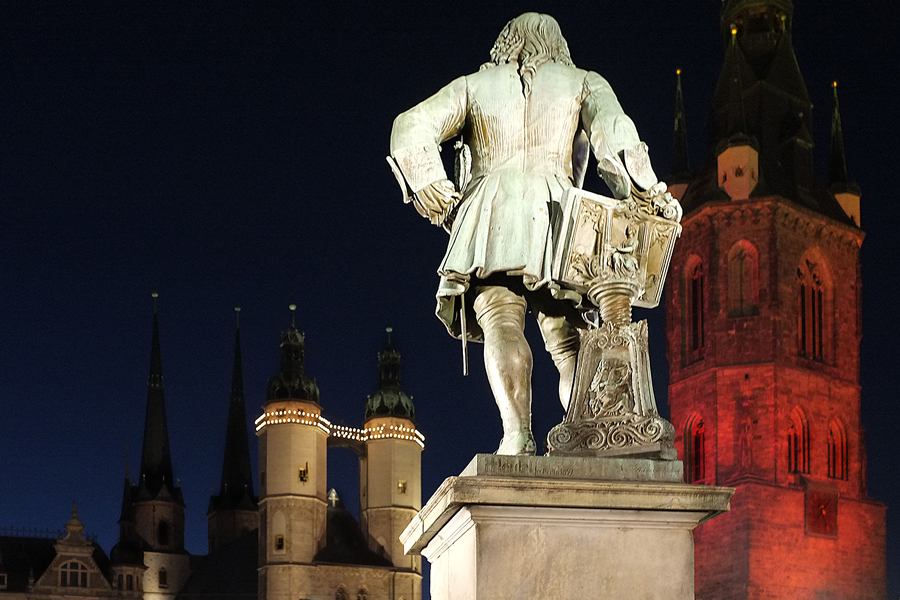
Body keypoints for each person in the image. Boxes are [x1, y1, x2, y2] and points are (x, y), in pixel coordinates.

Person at [389, 13, 665, 455]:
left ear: (506, 45)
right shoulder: (582, 81)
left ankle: (517, 435)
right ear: (556, 46)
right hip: (561, 216)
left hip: (489, 214)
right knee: (570, 338)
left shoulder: (474, 87)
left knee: (501, 320)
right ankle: (587, 439)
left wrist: (433, 189)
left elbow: (409, 126)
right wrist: (645, 191)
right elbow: (614, 135)